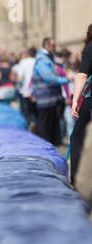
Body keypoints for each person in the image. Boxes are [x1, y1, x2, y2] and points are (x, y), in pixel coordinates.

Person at [32, 37, 73, 146]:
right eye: (53, 45)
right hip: (46, 101)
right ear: (46, 46)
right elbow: (49, 78)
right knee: (44, 130)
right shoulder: (42, 60)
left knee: (51, 130)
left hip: (50, 100)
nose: (55, 48)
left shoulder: (47, 58)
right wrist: (67, 80)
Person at [70, 24, 92, 187]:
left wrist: (75, 101)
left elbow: (82, 75)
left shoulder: (89, 49)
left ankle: (77, 181)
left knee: (77, 137)